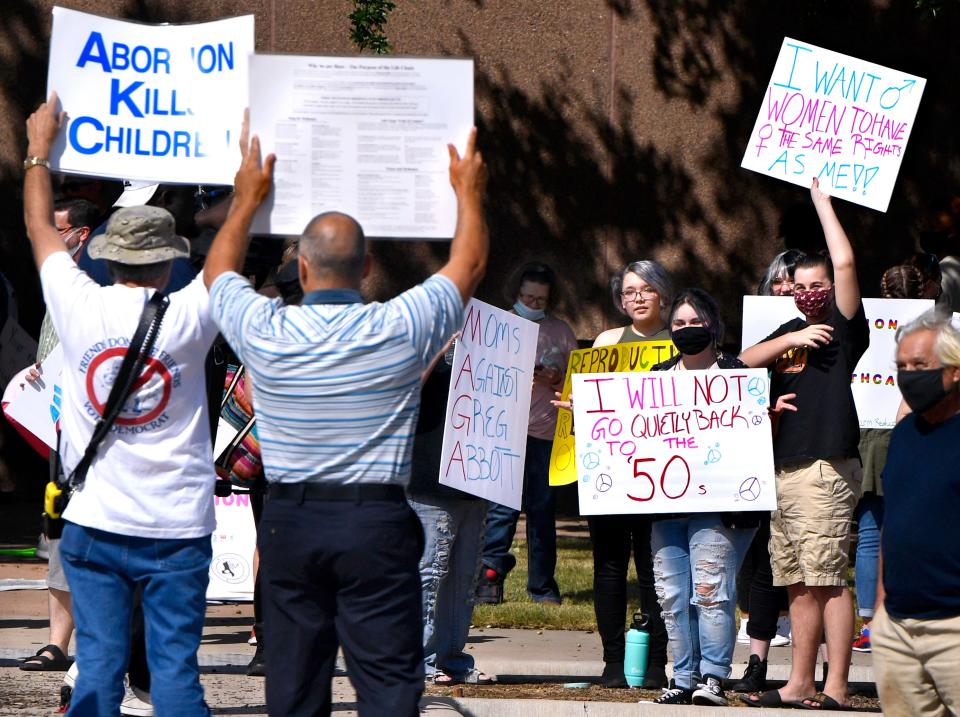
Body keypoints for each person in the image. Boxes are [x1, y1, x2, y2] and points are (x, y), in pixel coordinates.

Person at [204, 125, 488, 716]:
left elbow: (217, 275)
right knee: (387, 686)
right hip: (375, 520)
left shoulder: (266, 329)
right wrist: (467, 189)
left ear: (301, 271)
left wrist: (248, 197)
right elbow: (472, 261)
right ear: (366, 270)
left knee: (296, 683)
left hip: (290, 521)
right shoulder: (400, 326)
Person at [23, 92, 225, 716]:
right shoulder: (193, 315)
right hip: (176, 529)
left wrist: (37, 151)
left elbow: (38, 226)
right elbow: (229, 258)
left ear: (107, 258)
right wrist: (249, 185)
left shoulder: (77, 303)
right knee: (175, 681)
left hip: (94, 526)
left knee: (98, 678)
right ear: (168, 265)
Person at [740, 178, 868, 710]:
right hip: (786, 469)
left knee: (828, 577)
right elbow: (740, 365)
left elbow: (843, 262)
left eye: (818, 284)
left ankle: (835, 684)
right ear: (789, 289)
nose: (811, 291)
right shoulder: (790, 333)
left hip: (825, 467)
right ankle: (799, 682)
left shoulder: (842, 329)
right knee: (797, 578)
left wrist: (822, 203)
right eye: (801, 285)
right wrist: (789, 341)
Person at [645, 289, 760, 707]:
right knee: (673, 595)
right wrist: (588, 413)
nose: (687, 330)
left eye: (695, 323)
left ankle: (712, 678)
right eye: (679, 324)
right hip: (665, 505)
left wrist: (770, 416)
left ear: (712, 326)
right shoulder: (655, 377)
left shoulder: (736, 374)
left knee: (711, 591)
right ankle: (682, 676)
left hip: (720, 506)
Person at [589, 260, 673, 688]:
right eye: (628, 292)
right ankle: (612, 663)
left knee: (653, 570)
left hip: (663, 475)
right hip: (610, 472)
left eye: (645, 289)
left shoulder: (679, 341)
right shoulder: (606, 341)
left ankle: (657, 663)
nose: (637, 298)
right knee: (608, 569)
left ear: (662, 293)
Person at [872, 309, 960, 716]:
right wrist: (880, 611)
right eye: (902, 367)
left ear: (955, 370)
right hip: (899, 627)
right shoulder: (905, 435)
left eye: (920, 366)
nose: (908, 375)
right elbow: (895, 521)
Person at [476, 261, 577, 605]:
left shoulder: (561, 332)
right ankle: (489, 577)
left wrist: (555, 379)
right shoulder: (498, 325)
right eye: (527, 297)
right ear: (516, 293)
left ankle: (543, 586)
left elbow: (576, 384)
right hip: (505, 429)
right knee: (500, 509)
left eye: (539, 300)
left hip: (546, 432)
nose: (532, 304)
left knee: (542, 510)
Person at [407, 336, 492, 685]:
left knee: (463, 579)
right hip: (430, 480)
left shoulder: (492, 348)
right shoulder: (418, 342)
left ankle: (453, 660)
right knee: (428, 573)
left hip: (478, 480)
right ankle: (420, 662)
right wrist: (437, 350)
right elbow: (401, 393)